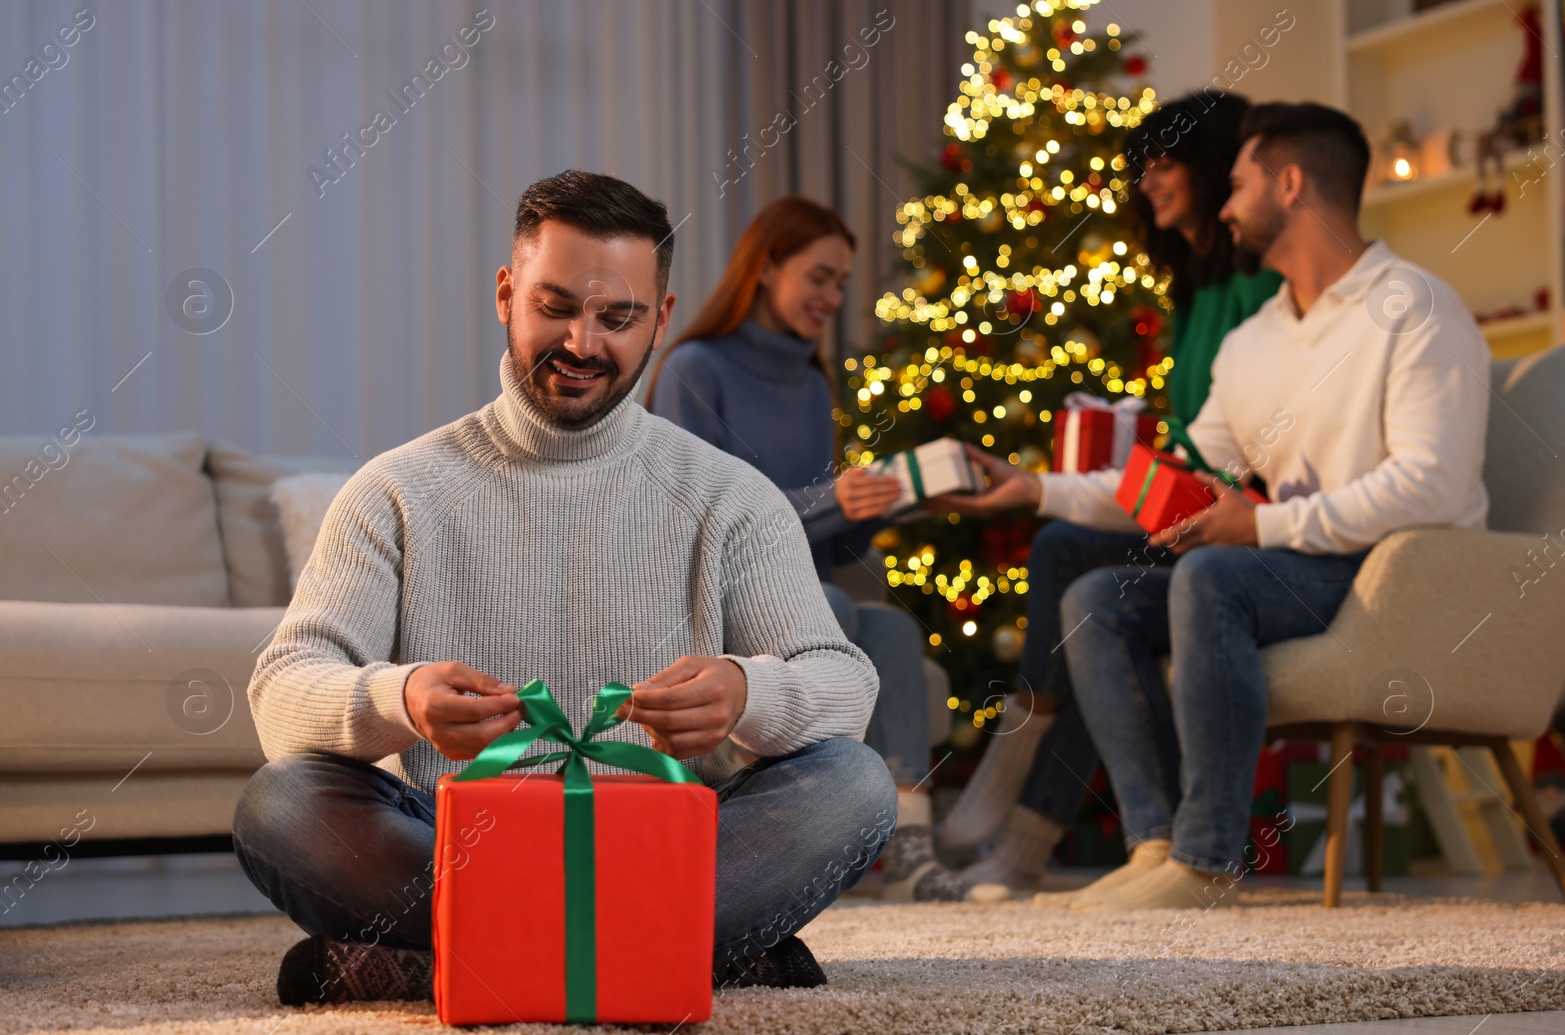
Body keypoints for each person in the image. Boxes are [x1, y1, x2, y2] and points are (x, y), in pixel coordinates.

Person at [232, 170, 897, 1004]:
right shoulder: (395, 490)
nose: (583, 343)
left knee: (856, 785)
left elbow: (846, 685)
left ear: (659, 317)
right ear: (507, 295)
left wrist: (745, 689)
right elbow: (281, 690)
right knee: (281, 803)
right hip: (456, 841)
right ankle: (676, 947)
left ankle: (453, 954)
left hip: (661, 839)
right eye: (556, 308)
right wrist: (402, 696)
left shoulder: (731, 499)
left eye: (617, 317)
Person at [943, 101, 1490, 909]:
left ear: (1292, 182)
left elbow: (1431, 485)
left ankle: (1207, 859)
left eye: (1237, 184)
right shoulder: (1255, 340)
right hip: (1297, 567)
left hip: (1394, 576)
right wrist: (1039, 489)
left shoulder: (1415, 306)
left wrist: (1262, 523)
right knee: (1098, 595)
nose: (1224, 205)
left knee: (1215, 575)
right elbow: (1178, 473)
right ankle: (1155, 846)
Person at [936, 90, 1283, 899]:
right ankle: (1059, 837)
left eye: (1167, 162)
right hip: (1192, 511)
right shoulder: (1193, 289)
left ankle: (1026, 776)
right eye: (1143, 168)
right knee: (1078, 585)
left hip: (1248, 525)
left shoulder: (1264, 284)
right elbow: (1188, 452)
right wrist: (1036, 485)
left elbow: (1247, 451)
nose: (1150, 181)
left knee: (1075, 573)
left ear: (1212, 167)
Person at [648, 197, 984, 901]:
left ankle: (909, 845)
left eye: (842, 282)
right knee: (830, 605)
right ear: (766, 266)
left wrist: (867, 508)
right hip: (709, 591)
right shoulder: (694, 367)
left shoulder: (810, 381)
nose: (833, 297)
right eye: (820, 277)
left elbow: (822, 539)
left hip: (801, 583)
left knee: (888, 624)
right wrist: (830, 498)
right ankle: (761, 801)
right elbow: (703, 516)